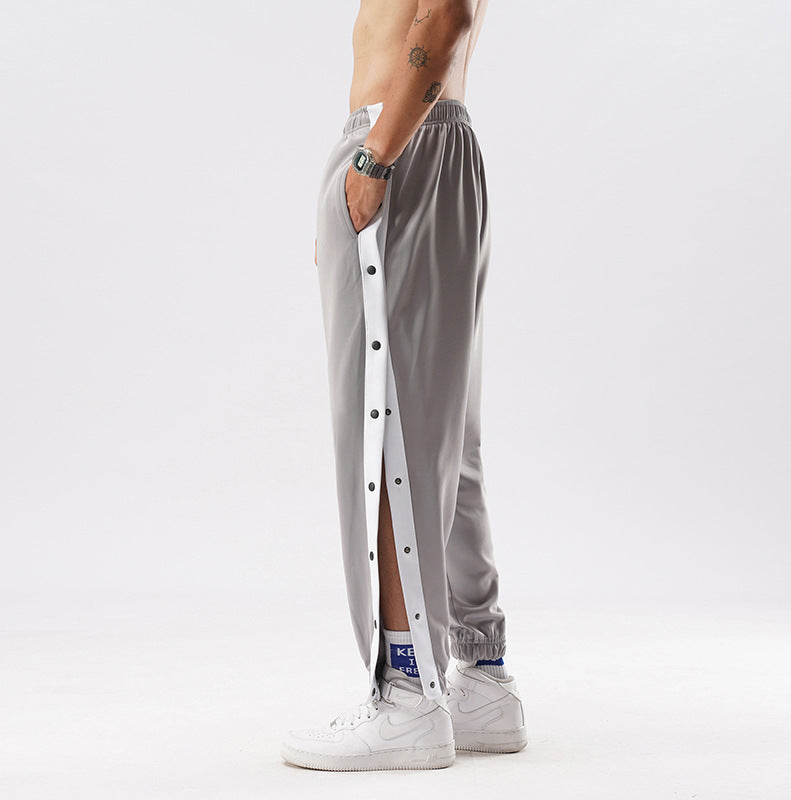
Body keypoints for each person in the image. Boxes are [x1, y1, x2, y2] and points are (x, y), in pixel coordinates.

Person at [281, 0, 527, 771]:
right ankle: (481, 677)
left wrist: (374, 158)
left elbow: (445, 13)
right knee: (447, 430)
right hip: (435, 137)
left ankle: (409, 693)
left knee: (387, 421)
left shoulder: (390, 153)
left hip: (401, 143)